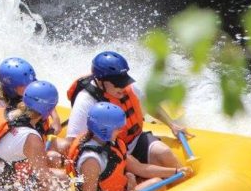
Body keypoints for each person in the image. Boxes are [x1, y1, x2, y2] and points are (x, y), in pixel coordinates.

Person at [55, 51, 189, 172]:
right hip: (108, 151)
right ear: (100, 81)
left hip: (134, 141)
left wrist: (172, 125)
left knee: (164, 153)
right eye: (116, 83)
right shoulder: (85, 101)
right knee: (135, 172)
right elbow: (73, 142)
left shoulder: (128, 88)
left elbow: (151, 105)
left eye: (123, 80)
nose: (122, 86)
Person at [68, 102, 188, 191]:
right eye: (118, 128)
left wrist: (175, 171)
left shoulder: (112, 142)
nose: (121, 130)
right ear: (105, 130)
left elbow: (140, 168)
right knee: (155, 183)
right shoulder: (91, 161)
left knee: (143, 178)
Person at [0, 80, 71, 191]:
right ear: (48, 111)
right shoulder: (31, 138)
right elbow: (46, 180)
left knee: (64, 180)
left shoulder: (6, 112)